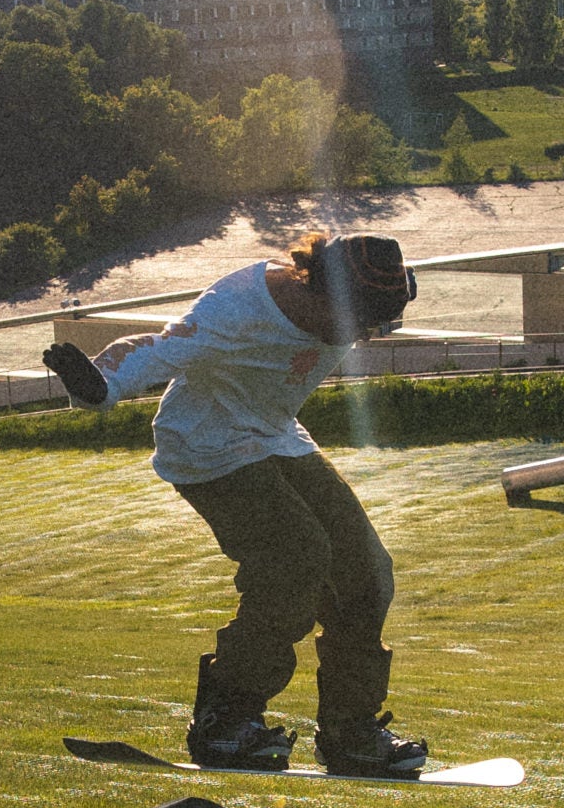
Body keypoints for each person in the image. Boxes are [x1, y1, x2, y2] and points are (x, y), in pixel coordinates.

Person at [42, 233, 429, 776]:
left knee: (366, 574)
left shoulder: (376, 290)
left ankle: (350, 730)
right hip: (206, 443)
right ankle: (226, 717)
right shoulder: (238, 307)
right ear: (315, 290)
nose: (357, 338)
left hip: (275, 434)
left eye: (372, 327)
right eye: (352, 326)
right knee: (294, 563)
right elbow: (155, 346)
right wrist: (98, 385)